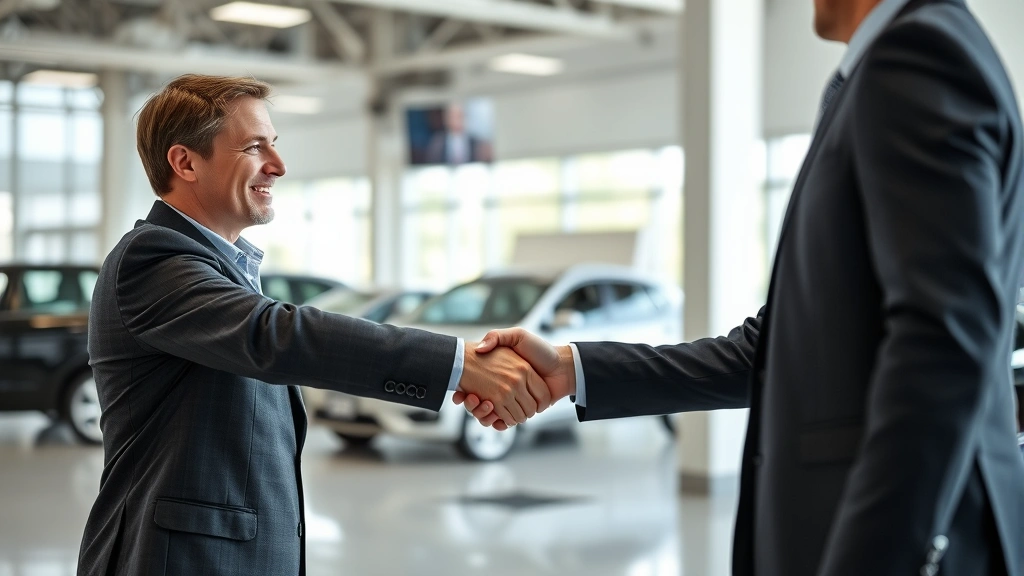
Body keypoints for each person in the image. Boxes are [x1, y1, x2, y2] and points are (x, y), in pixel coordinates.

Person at [459, 0, 1024, 574]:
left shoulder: (917, 57)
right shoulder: (895, 64)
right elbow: (769, 349)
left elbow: (944, 348)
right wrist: (571, 370)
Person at [77, 74, 549, 576]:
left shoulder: (223, 267)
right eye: (254, 147)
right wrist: (459, 364)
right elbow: (275, 337)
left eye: (274, 144)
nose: (278, 165)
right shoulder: (152, 258)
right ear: (185, 162)